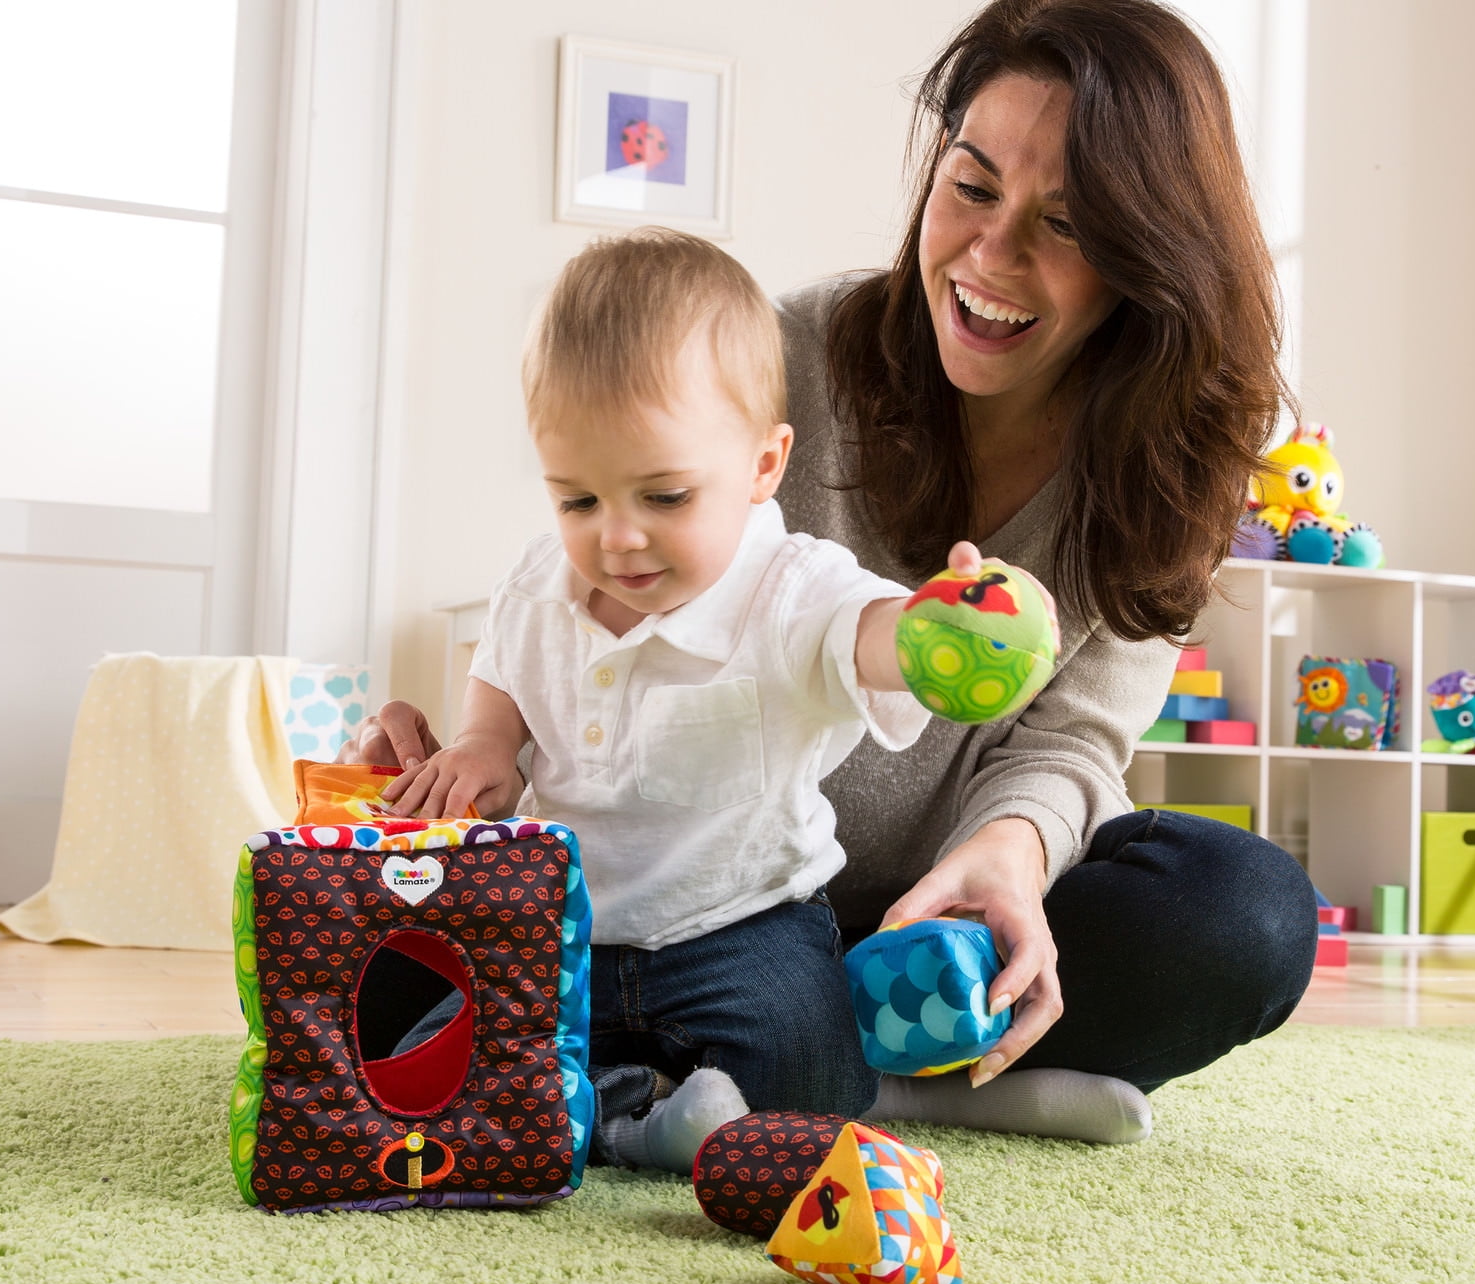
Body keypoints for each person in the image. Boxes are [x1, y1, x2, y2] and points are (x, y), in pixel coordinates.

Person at [354, 0, 1318, 1147]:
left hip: (921, 917)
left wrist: (1006, 857)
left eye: (1062, 225)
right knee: (377, 982)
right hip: (688, 893)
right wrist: (482, 764)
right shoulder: (782, 358)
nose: (989, 257)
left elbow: (1071, 744)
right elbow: (588, 600)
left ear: (1146, 259)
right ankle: (881, 1078)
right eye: (969, 187)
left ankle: (804, 1062)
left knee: (1244, 912)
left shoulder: (1164, 465)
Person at [366, 227, 1056, 1173]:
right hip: (567, 921)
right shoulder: (540, 581)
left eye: (665, 496)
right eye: (577, 501)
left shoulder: (790, 585)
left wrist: (939, 629)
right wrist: (486, 745)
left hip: (741, 925)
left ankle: (621, 1100)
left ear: (764, 466)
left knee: (818, 1082)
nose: (618, 538)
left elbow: (867, 633)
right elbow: (506, 675)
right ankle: (633, 1109)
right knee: (418, 1055)